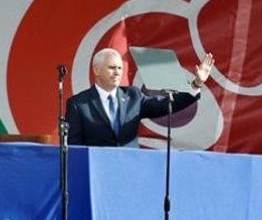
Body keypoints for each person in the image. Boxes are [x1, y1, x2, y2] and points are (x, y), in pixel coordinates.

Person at [64, 47, 214, 147]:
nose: (117, 72)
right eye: (111, 68)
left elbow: (165, 105)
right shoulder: (78, 104)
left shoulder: (133, 96)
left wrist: (196, 83)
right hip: (95, 173)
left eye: (119, 68)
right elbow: (74, 147)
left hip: (130, 169)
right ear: (96, 70)